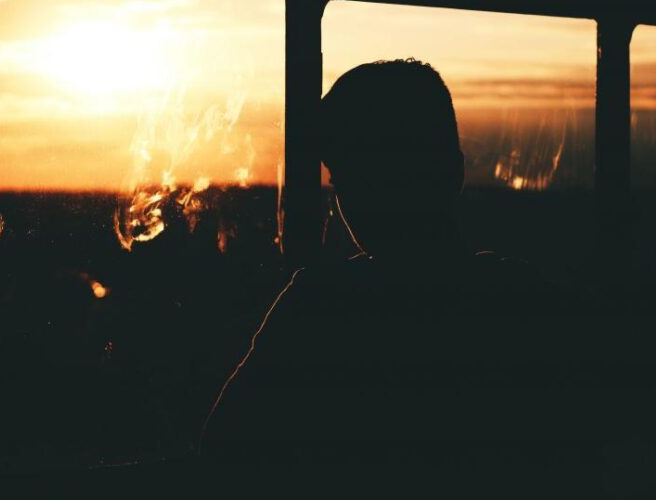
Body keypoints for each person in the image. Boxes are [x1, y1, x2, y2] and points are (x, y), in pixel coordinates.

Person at [200, 59, 594, 493]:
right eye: (347, 177)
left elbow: (224, 457)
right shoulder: (531, 306)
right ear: (454, 173)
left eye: (353, 177)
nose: (351, 201)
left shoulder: (321, 307)